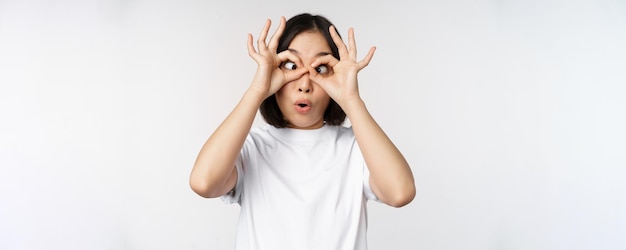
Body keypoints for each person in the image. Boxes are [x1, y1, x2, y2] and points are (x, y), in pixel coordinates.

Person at [190, 13, 415, 250]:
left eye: (321, 68)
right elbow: (204, 183)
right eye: (291, 66)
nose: (305, 84)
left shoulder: (356, 149)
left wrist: (351, 100)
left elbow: (400, 192)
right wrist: (257, 89)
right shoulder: (253, 147)